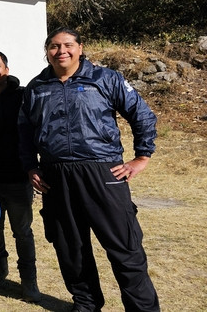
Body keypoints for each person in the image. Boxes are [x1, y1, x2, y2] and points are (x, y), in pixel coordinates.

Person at [18, 27, 160, 312]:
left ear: (80, 48)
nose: (62, 51)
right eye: (55, 46)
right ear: (47, 51)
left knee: (124, 248)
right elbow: (24, 130)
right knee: (70, 248)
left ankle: (142, 308)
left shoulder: (105, 78)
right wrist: (31, 166)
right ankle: (86, 304)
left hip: (103, 172)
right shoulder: (37, 86)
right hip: (55, 176)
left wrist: (141, 157)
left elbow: (141, 115)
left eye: (68, 45)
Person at [0, 51, 41, 303]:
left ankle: (29, 280)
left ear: (7, 69)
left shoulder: (23, 96)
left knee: (22, 230)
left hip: (18, 175)